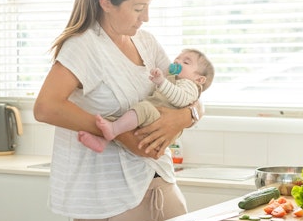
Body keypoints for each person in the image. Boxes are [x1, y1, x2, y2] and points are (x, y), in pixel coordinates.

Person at [33, 0, 201, 221]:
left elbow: (190, 91)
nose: (146, 17)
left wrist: (184, 117)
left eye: (148, 6)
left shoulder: (146, 43)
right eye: (138, 8)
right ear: (106, 3)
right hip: (109, 202)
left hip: (160, 185)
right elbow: (46, 107)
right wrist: (119, 134)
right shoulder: (84, 46)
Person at [79, 48, 214, 152]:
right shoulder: (174, 79)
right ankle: (103, 140)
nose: (177, 62)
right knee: (117, 117)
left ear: (200, 79)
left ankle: (113, 130)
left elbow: (181, 99)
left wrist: (161, 82)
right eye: (177, 59)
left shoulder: (190, 85)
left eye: (186, 62)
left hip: (159, 119)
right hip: (153, 115)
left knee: (143, 108)